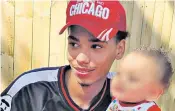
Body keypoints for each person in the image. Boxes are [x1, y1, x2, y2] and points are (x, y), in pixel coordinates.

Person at [0, 0, 128, 111]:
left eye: (96, 46)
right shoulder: (30, 90)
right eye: (74, 44)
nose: (81, 58)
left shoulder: (132, 95)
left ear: (119, 49)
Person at [106, 48, 173, 111]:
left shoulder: (149, 109)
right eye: (119, 73)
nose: (120, 80)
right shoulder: (117, 99)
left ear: (152, 93)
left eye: (132, 78)